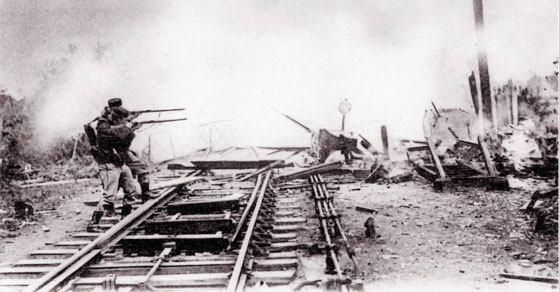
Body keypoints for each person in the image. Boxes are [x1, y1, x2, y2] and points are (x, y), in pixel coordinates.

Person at [92, 106, 139, 222]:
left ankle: (126, 216)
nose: (125, 122)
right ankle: (94, 222)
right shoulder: (103, 128)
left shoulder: (113, 127)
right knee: (109, 196)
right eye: (124, 120)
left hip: (119, 164)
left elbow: (123, 145)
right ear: (118, 120)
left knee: (131, 190)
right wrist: (128, 129)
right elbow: (116, 138)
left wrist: (130, 131)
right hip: (109, 165)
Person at [101, 98, 151, 202]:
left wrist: (130, 125)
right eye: (116, 107)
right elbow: (116, 134)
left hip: (122, 152)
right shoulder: (104, 120)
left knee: (141, 168)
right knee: (114, 187)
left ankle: (145, 195)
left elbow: (123, 133)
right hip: (113, 154)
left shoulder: (117, 117)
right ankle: (104, 211)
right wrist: (129, 125)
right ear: (111, 108)